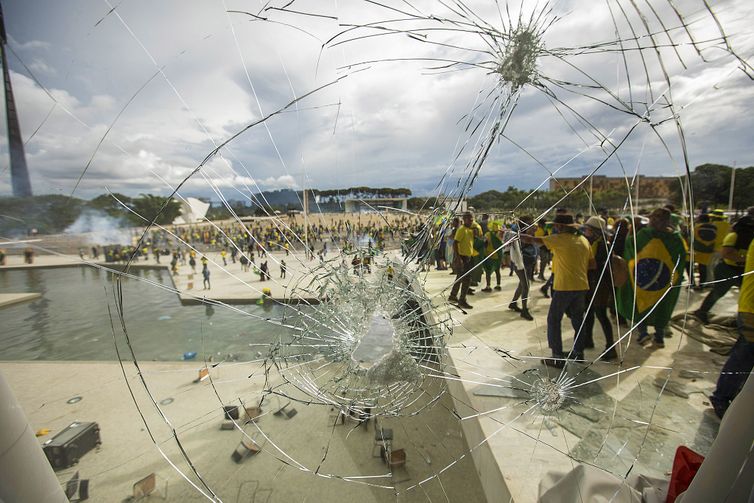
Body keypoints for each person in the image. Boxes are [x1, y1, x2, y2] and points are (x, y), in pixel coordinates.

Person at [522, 213, 592, 367]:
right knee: (578, 320)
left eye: (555, 225)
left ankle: (557, 357)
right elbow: (592, 264)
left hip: (564, 286)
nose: (554, 227)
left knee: (554, 320)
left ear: (560, 226)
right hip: (581, 286)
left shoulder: (559, 239)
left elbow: (532, 240)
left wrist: (512, 235)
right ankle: (578, 353)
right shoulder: (583, 240)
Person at [617, 208, 686, 348]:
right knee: (662, 305)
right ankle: (659, 336)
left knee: (641, 304)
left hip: (643, 279)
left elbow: (630, 248)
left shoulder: (643, 235)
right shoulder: (675, 239)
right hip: (663, 281)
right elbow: (680, 259)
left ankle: (643, 334)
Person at [709, 236, 754, 419]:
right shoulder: (735, 235)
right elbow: (726, 251)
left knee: (744, 353)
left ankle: (729, 395)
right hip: (751, 309)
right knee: (745, 354)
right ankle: (722, 397)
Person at [694, 214, 753, 323]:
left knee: (747, 295)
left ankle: (743, 319)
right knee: (718, 292)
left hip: (742, 270)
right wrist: (746, 259)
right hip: (727, 269)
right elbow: (726, 253)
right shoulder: (734, 236)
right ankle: (702, 312)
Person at [581, 216, 618, 361]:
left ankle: (611, 347)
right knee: (589, 312)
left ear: (595, 231)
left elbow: (596, 265)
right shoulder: (597, 242)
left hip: (600, 284)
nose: (585, 232)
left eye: (588, 229)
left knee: (601, 314)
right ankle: (588, 340)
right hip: (593, 283)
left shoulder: (602, 245)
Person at [509, 217, 536, 321]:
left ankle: (513, 303)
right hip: (520, 263)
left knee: (522, 284)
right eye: (530, 224)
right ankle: (524, 310)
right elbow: (519, 247)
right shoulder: (518, 234)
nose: (532, 225)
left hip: (528, 261)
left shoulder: (528, 233)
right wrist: (529, 234)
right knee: (526, 285)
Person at [448, 212, 476, 310]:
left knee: (460, 277)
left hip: (467, 257)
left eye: (472, 220)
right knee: (466, 279)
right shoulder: (462, 230)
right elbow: (455, 243)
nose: (471, 221)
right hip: (462, 257)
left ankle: (453, 295)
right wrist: (458, 258)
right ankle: (462, 300)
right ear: (464, 219)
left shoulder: (469, 230)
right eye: (470, 220)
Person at [691, 213, 716, 288]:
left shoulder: (697, 227)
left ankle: (692, 283)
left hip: (697, 250)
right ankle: (701, 284)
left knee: (688, 265)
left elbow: (692, 238)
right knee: (703, 267)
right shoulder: (714, 227)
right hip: (708, 251)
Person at [481, 221, 502, 292]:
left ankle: (488, 286)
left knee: (488, 271)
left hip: (489, 255)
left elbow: (485, 243)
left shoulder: (487, 234)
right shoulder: (500, 235)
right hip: (498, 255)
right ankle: (498, 285)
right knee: (497, 271)